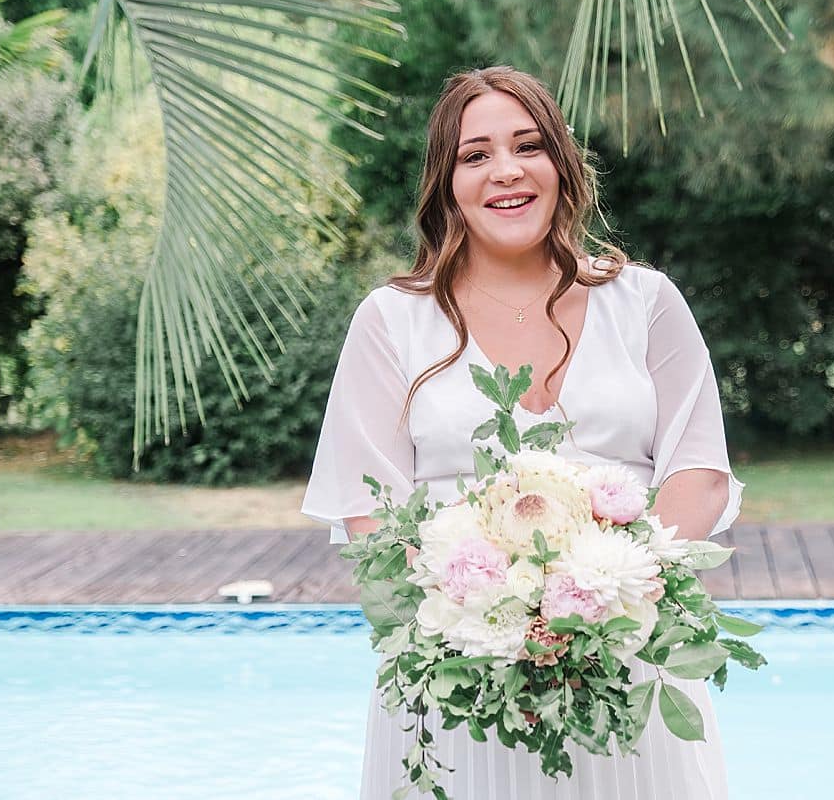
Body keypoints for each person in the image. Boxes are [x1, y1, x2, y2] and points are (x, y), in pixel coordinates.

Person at [302, 65, 744, 800]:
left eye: (528, 145)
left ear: (562, 164)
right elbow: (368, 505)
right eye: (475, 155)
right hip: (458, 668)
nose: (505, 171)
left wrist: (602, 600)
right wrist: (498, 622)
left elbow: (698, 468)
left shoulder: (645, 301)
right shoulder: (391, 321)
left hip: (626, 657)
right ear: (447, 182)